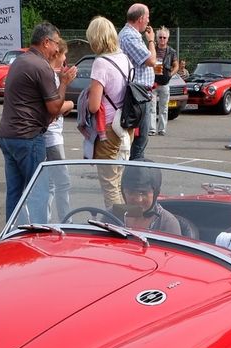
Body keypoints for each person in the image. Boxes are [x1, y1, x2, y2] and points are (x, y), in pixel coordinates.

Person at [0, 22, 75, 221]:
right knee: (39, 191)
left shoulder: (19, 61)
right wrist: (64, 83)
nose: (57, 49)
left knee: (15, 192)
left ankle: (14, 233)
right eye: (56, 43)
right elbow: (54, 107)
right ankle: (38, 233)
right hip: (28, 136)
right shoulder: (41, 66)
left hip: (7, 135)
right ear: (46, 42)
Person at [85, 16, 133, 210]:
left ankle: (117, 222)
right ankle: (126, 219)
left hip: (108, 129)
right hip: (126, 126)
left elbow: (93, 106)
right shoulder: (125, 59)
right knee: (119, 182)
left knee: (110, 185)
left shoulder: (101, 63)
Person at [118, 4, 156, 160]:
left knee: (139, 138)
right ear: (140, 18)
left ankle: (133, 168)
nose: (148, 21)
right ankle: (135, 170)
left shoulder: (131, 34)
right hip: (138, 95)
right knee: (139, 140)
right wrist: (151, 41)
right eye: (147, 17)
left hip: (139, 94)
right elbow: (151, 60)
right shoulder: (130, 36)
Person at [44, 40, 74, 220]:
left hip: (49, 134)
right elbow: (54, 107)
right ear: (57, 54)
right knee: (62, 181)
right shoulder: (51, 76)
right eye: (64, 55)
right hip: (51, 136)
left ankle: (45, 219)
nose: (65, 59)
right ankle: (65, 220)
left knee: (49, 183)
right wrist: (70, 104)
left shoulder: (51, 74)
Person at [119, 164, 181, 235]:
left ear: (155, 193)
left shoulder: (168, 223)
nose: (138, 199)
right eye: (131, 192)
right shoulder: (113, 215)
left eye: (143, 193)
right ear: (123, 192)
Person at [151, 27, 176, 136]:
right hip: (153, 83)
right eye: (160, 37)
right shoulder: (152, 49)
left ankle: (162, 129)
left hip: (165, 83)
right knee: (151, 107)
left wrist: (170, 74)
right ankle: (152, 129)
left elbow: (176, 65)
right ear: (157, 38)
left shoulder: (171, 51)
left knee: (164, 108)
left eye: (164, 37)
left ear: (167, 39)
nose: (162, 39)